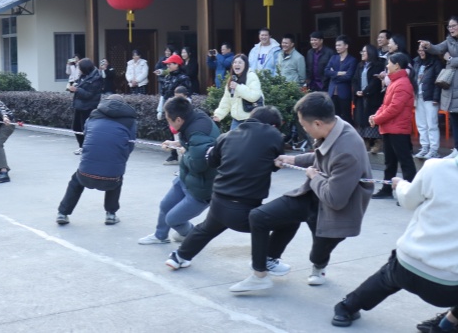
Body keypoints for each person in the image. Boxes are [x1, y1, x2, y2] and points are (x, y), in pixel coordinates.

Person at [230, 92, 373, 293]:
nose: (303, 129)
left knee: (318, 253)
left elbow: (335, 199)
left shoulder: (348, 150)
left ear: (317, 124)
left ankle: (319, 267)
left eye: (304, 125)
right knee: (259, 217)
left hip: (335, 209)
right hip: (311, 195)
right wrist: (293, 160)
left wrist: (314, 177)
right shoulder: (333, 127)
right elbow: (320, 156)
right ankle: (260, 273)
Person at [331, 156, 458, 329]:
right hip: (448, 287)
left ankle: (346, 308)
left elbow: (408, 200)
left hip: (407, 265)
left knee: (386, 278)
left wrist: (400, 185)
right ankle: (446, 325)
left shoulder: (435, 167)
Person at [165, 106, 284, 270]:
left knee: (207, 229)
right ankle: (265, 261)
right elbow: (275, 165)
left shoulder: (226, 136)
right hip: (244, 207)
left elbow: (212, 161)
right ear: (274, 126)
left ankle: (179, 256)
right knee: (287, 221)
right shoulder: (273, 135)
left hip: (219, 200)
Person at [138, 96, 219, 245]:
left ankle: (192, 237)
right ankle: (160, 236)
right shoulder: (192, 119)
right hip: (186, 177)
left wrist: (184, 151)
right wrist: (175, 143)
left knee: (173, 219)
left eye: (169, 120)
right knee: (165, 205)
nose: (168, 123)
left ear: (179, 120)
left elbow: (198, 164)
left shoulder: (199, 133)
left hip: (201, 189)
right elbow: (190, 143)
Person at [56, 95, 137, 225]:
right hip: (111, 180)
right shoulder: (131, 121)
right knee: (116, 174)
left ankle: (62, 213)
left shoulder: (93, 116)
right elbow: (130, 145)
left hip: (85, 175)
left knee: (75, 180)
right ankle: (111, 214)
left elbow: (87, 136)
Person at [370, 53, 417, 199]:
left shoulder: (403, 83)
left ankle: (412, 193)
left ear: (397, 65)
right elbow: (385, 105)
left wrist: (377, 119)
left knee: (405, 161)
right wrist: (375, 116)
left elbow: (394, 108)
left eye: (389, 63)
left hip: (398, 129)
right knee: (389, 162)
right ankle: (387, 189)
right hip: (390, 127)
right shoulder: (395, 82)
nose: (387, 66)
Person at [421, 15, 458, 159]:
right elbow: (437, 49)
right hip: (452, 86)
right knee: (454, 118)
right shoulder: (448, 41)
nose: (451, 29)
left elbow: (449, 58)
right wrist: (428, 45)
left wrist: (449, 59)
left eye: (454, 25)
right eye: (449, 27)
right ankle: (456, 149)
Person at [212, 54, 263, 131]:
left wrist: (238, 87)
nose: (237, 64)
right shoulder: (232, 79)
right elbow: (226, 100)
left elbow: (254, 96)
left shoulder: (251, 76)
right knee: (232, 141)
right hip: (236, 120)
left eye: (240, 62)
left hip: (250, 119)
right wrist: (218, 114)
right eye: (235, 62)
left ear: (245, 65)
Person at [158, 54, 192, 165]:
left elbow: (188, 96)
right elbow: (163, 94)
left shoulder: (183, 78)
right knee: (171, 133)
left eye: (170, 64)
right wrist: (160, 109)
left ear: (177, 64)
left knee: (181, 133)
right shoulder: (168, 77)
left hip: (179, 110)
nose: (168, 66)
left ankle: (183, 157)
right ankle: (174, 155)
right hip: (169, 109)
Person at [352, 44, 384, 155]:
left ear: (370, 53)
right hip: (360, 97)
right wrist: (356, 91)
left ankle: (376, 142)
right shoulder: (360, 65)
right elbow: (355, 79)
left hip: (372, 96)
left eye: (364, 52)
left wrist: (365, 91)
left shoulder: (378, 66)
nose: (362, 54)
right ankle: (364, 141)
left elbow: (375, 82)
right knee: (361, 118)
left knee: (372, 118)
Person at [412, 46, 443, 159]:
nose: (421, 52)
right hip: (418, 97)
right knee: (421, 124)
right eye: (419, 50)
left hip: (430, 97)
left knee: (432, 124)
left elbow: (438, 81)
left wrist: (436, 98)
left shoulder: (436, 62)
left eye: (423, 50)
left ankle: (434, 149)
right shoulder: (416, 62)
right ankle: (425, 147)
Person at [68, 57, 103, 155]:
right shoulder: (83, 76)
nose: (79, 69)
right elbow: (78, 86)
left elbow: (89, 94)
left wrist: (77, 90)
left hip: (89, 107)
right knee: (76, 127)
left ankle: (89, 148)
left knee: (87, 129)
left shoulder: (96, 78)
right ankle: (81, 146)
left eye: (80, 67)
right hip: (79, 106)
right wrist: (73, 88)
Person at [325, 34, 357, 123]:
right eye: (336, 45)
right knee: (334, 116)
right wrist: (339, 73)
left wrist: (333, 74)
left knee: (346, 116)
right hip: (332, 92)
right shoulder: (333, 58)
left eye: (339, 45)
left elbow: (348, 76)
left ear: (346, 46)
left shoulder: (352, 60)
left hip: (344, 92)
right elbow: (326, 72)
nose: (337, 47)